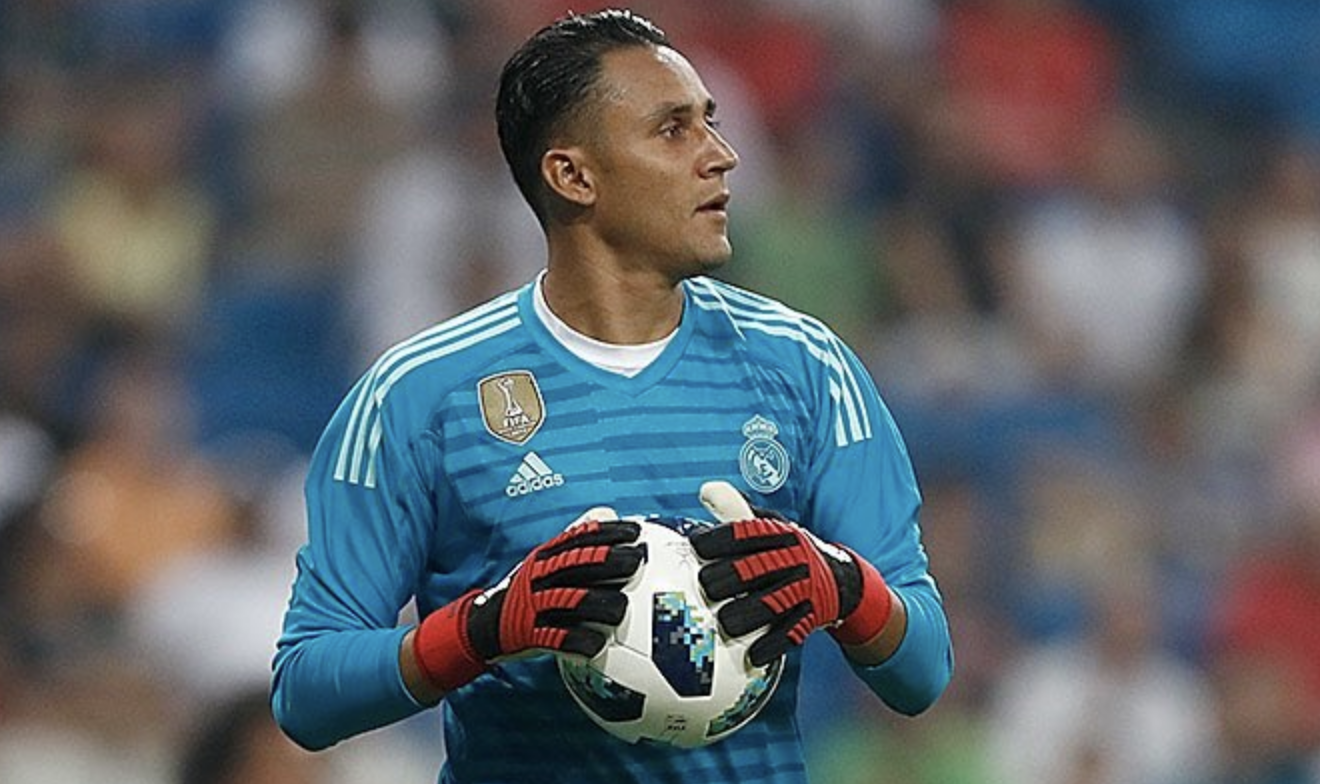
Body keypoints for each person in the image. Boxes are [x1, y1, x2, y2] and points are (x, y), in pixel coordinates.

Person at [271, 9, 953, 783]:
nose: (722, 155)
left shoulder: (808, 368)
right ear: (574, 176)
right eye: (673, 130)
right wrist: (485, 629)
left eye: (710, 123)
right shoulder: (417, 396)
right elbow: (306, 692)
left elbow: (923, 669)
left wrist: (844, 586)